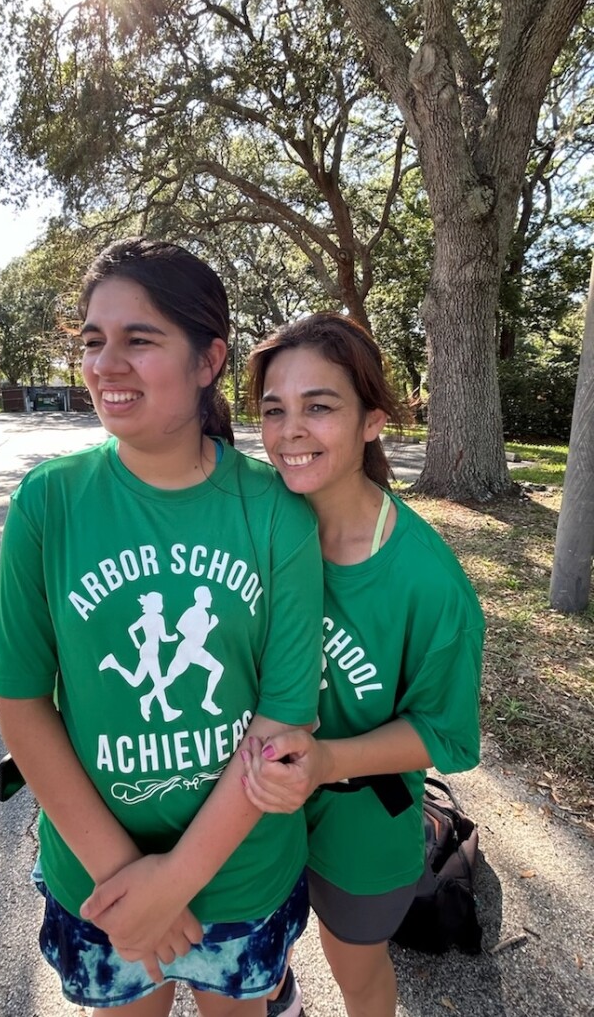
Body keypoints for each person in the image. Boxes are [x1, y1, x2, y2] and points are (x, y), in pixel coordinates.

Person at [0, 238, 325, 1017]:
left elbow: (281, 725)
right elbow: (21, 699)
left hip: (242, 876)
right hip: (98, 880)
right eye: (93, 340)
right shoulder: (49, 503)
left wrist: (175, 881)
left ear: (209, 360)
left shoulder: (276, 513)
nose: (107, 363)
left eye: (139, 339)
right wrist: (126, 877)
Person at [241, 313, 484, 1017]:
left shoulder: (428, 581)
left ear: (373, 419)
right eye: (274, 409)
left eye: (319, 406)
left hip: (363, 817)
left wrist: (326, 760)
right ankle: (279, 991)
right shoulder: (250, 521)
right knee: (258, 944)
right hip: (250, 803)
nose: (290, 430)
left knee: (354, 960)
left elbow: (446, 734)